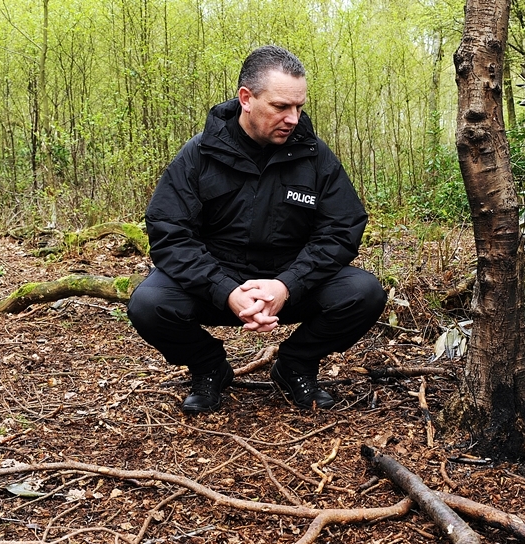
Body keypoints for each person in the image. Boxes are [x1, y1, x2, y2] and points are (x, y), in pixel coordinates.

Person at [127, 45, 386, 414]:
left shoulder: (315, 156)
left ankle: (295, 363)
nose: (293, 118)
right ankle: (209, 367)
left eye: (299, 107)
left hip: (290, 278)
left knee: (364, 292)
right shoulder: (198, 155)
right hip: (216, 281)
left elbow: (342, 228)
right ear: (246, 99)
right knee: (149, 304)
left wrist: (288, 284)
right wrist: (225, 290)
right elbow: (170, 231)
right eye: (281, 107)